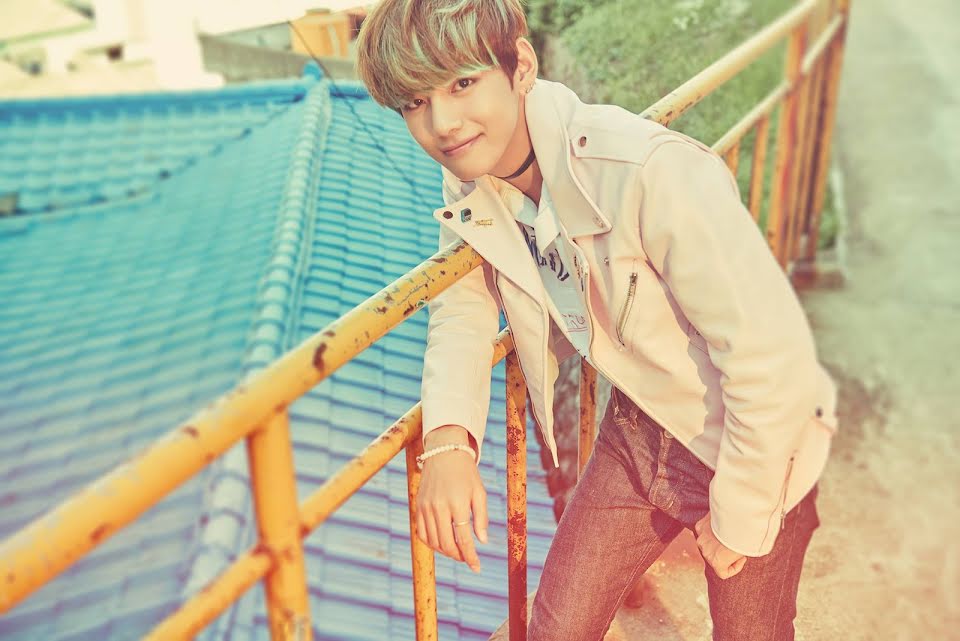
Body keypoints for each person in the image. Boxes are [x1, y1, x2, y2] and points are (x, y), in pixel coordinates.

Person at [355, 1, 839, 639]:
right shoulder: (472, 176)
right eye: (415, 102)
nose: (442, 123)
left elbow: (770, 360)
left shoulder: (650, 172)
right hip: (639, 428)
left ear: (521, 65)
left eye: (463, 83)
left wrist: (743, 512)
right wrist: (447, 441)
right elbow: (464, 303)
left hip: (753, 438)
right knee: (556, 628)